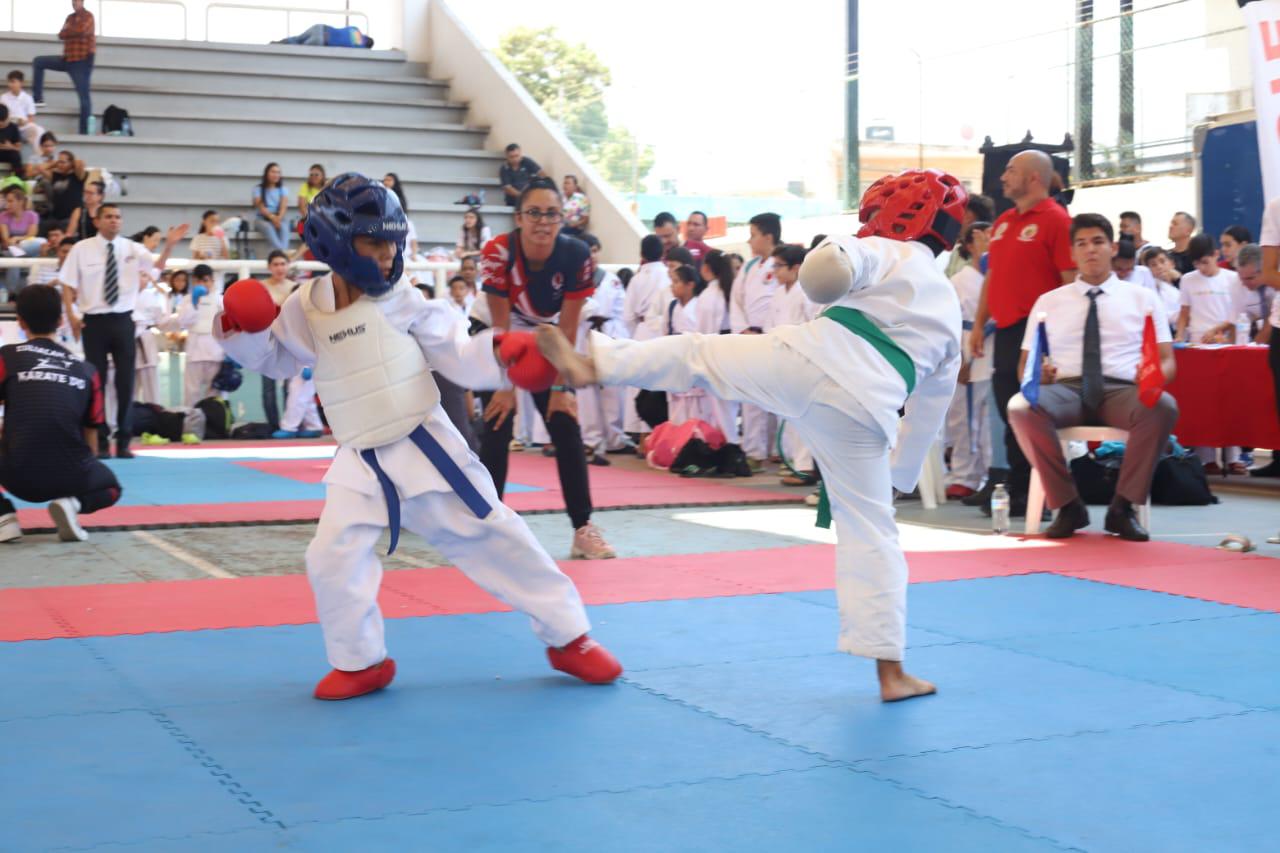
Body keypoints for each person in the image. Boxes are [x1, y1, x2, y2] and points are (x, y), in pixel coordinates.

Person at [535, 168, 967, 702]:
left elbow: (832, 268)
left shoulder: (881, 249)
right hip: (869, 410)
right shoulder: (947, 302)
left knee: (698, 354)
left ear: (889, 217)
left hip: (811, 359)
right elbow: (931, 405)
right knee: (873, 533)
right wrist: (900, 475)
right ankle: (891, 673)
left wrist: (837, 254)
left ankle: (594, 363)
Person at [214, 172, 620, 699]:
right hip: (360, 459)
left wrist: (503, 354)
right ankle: (361, 662)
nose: (387, 255)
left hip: (425, 449)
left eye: (393, 242)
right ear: (334, 241)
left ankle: (570, 637)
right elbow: (274, 361)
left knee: (495, 537)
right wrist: (238, 328)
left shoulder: (402, 299)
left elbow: (454, 345)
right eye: (373, 242)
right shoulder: (305, 306)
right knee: (331, 556)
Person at [1007, 213, 1177, 541]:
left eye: (1098, 242)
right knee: (1021, 407)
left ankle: (1122, 507)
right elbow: (1023, 367)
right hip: (1066, 389)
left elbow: (1168, 360)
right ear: (1072, 253)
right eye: (1082, 244)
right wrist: (1036, 375)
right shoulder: (1049, 301)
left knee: (1163, 406)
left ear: (1112, 247)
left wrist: (1153, 378)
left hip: (1123, 388)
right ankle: (1068, 504)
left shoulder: (1143, 298)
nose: (1090, 250)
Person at [478, 177, 615, 559]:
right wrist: (505, 387)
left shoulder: (576, 255)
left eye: (552, 214)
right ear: (519, 217)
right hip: (499, 332)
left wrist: (559, 390)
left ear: (563, 218)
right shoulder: (498, 252)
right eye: (534, 213)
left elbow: (567, 328)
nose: (543, 222)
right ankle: (490, 526)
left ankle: (583, 527)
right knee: (497, 422)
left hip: (548, 335)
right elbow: (500, 325)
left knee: (565, 424)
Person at [970, 150, 1075, 518]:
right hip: (1006, 329)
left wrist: (1060, 338)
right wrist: (981, 323)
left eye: (1011, 171)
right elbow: (993, 276)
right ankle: (1019, 486)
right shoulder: (1002, 222)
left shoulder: (1057, 220)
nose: (1003, 177)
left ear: (1033, 178)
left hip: (1040, 334)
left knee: (1033, 410)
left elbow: (1069, 282)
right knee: (1008, 409)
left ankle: (1044, 492)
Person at [59, 204, 187, 457]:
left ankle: (125, 439)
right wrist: (72, 314)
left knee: (126, 381)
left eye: (118, 217)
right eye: (108, 217)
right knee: (97, 381)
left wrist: (170, 246)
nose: (114, 221)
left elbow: (156, 267)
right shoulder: (81, 249)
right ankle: (102, 439)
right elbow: (66, 283)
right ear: (97, 221)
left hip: (123, 319)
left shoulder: (132, 248)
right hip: (93, 320)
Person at [0, 284, 123, 544]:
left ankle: (3, 516)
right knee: (113, 487)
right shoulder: (87, 370)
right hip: (71, 475)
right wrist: (84, 474)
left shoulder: (6, 357)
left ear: (20, 321)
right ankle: (73, 504)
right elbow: (92, 430)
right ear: (60, 320)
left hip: (17, 475)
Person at [944, 222, 994, 499]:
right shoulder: (958, 281)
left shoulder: (997, 275)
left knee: (988, 418)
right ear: (970, 245)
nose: (990, 242)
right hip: (967, 347)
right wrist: (960, 359)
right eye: (984, 238)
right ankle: (964, 474)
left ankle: (988, 473)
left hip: (994, 348)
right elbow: (950, 323)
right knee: (963, 416)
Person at [730, 212, 783, 469]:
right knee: (751, 397)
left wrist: (769, 330)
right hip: (750, 336)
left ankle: (777, 448)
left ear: (768, 236)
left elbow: (784, 304)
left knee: (780, 396)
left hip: (775, 336)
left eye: (753, 235)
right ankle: (754, 450)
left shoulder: (785, 262)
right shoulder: (750, 267)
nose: (750, 242)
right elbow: (736, 301)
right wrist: (743, 329)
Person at [575, 233, 630, 459]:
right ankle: (591, 439)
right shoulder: (574, 281)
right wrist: (590, 311)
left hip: (608, 335)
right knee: (586, 391)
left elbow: (621, 311)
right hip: (583, 335)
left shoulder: (612, 280)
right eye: (589, 252)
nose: (593, 256)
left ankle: (614, 438)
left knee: (612, 390)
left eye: (596, 251)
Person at [621, 234, 670, 437]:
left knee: (638, 384)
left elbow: (627, 315)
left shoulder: (637, 278)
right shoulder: (669, 275)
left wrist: (635, 333)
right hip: (662, 333)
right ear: (663, 252)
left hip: (641, 331)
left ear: (642, 254)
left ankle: (642, 436)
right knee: (659, 384)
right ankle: (656, 436)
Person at [31, 0, 95, 135]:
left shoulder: (88, 16)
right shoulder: (70, 18)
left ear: (82, 2)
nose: (74, 3)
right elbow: (61, 34)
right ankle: (38, 98)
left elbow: (82, 31)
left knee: (84, 99)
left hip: (81, 62)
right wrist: (71, 31)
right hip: (67, 59)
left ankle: (84, 133)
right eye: (73, 1)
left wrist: (69, 31)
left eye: (76, 1)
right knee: (38, 62)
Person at [45, 150, 87, 235]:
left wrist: (72, 163)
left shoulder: (78, 176)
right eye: (59, 162)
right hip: (55, 216)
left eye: (63, 162)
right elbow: (40, 168)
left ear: (71, 163)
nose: (60, 165)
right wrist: (55, 163)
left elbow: (80, 163)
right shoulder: (55, 175)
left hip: (71, 218)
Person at [253, 162, 290, 252]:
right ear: (266, 173)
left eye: (278, 172)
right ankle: (283, 253)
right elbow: (261, 207)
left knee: (284, 227)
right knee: (268, 227)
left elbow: (283, 207)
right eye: (273, 172)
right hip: (262, 219)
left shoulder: (283, 189)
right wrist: (272, 218)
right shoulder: (258, 189)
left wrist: (278, 219)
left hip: (279, 217)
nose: (276, 175)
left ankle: (281, 253)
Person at [2, 71, 43, 152]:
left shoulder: (28, 98)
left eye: (13, 82)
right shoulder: (3, 98)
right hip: (8, 127)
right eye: (9, 82)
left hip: (23, 128)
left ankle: (39, 156)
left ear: (21, 83)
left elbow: (31, 118)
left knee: (38, 130)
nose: (10, 85)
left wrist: (24, 122)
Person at [499, 144, 546, 208]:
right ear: (507, 156)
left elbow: (541, 173)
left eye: (517, 156)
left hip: (530, 197)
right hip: (514, 201)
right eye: (511, 157)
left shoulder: (527, 161)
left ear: (520, 154)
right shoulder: (504, 168)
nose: (515, 159)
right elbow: (508, 188)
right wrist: (523, 196)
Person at [273, 24, 374, 48]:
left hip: (321, 27)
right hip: (322, 40)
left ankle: (278, 43)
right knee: (299, 47)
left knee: (297, 39)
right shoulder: (359, 47)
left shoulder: (355, 29)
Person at [1167, 211, 1197, 276]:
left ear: (1189, 230)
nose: (1170, 226)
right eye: (1171, 223)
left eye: (1175, 224)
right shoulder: (1165, 256)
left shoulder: (1197, 257)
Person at [0, 105, 23, 178]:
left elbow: (18, 148)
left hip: (8, 153)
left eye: (3, 121)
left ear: (7, 117)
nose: (1, 123)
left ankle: (18, 178)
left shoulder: (13, 127)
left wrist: (10, 147)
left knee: (15, 155)